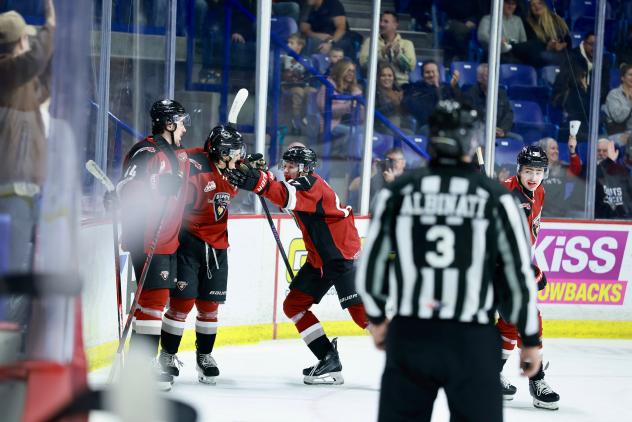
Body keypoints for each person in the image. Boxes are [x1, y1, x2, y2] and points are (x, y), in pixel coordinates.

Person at [356, 100, 542, 422]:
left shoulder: (398, 191)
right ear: (471, 142)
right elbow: (518, 276)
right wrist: (530, 340)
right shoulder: (497, 198)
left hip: (411, 335)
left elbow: (371, 266)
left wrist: (377, 319)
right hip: (472, 339)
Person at [226, 145, 369, 385]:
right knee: (294, 305)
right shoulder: (301, 184)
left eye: (291, 166)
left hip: (341, 254)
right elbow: (281, 190)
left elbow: (283, 194)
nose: (286, 170)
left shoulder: (311, 184)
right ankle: (327, 358)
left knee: (362, 316)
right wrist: (260, 175)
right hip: (320, 258)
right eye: (285, 166)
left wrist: (258, 181)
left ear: (304, 168)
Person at [158, 124, 249, 385]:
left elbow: (246, 179)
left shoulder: (231, 169)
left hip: (218, 246)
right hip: (189, 242)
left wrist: (254, 170)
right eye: (232, 153)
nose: (237, 158)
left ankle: (205, 356)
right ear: (218, 152)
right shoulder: (195, 167)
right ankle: (167, 355)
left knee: (209, 307)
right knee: (181, 304)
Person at [115, 99, 191, 389]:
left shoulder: (178, 153)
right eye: (181, 122)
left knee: (153, 302)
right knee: (155, 302)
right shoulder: (147, 152)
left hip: (168, 237)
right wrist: (158, 186)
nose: (185, 128)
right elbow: (126, 186)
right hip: (148, 235)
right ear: (169, 124)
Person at [496, 145, 560, 409]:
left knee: (511, 321)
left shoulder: (539, 191)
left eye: (539, 171)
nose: (534, 177)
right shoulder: (507, 196)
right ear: (519, 171)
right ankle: (537, 378)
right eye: (528, 171)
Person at [0, 2, 54, 275]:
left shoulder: (17, 83)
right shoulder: (4, 72)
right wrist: (52, 25)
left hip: (24, 194)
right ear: (20, 41)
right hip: (9, 195)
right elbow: (34, 61)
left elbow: (42, 89)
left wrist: (53, 56)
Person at [316, 58, 363, 156]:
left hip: (349, 123)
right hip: (331, 125)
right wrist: (348, 106)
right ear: (340, 70)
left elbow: (362, 115)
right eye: (348, 70)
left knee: (366, 132)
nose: (351, 73)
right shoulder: (328, 86)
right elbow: (325, 110)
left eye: (353, 71)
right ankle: (353, 161)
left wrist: (356, 92)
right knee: (355, 132)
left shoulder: (353, 89)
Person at [462, 63, 521, 141]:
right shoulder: (470, 95)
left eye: (493, 76)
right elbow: (469, 118)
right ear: (479, 78)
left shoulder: (501, 93)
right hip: (479, 134)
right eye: (487, 76)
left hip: (498, 132)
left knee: (518, 139)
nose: (492, 79)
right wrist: (486, 129)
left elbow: (508, 114)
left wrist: (503, 130)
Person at [402, 60, 461, 134]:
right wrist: (436, 89)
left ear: (438, 74)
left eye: (433, 72)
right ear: (422, 75)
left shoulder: (447, 87)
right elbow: (422, 112)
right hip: (427, 126)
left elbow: (457, 104)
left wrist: (454, 88)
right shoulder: (416, 88)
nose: (431, 75)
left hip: (447, 126)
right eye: (427, 72)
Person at [358, 11, 416, 86]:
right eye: (381, 21)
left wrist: (398, 55)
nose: (381, 24)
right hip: (376, 84)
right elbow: (364, 65)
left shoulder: (407, 44)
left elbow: (410, 67)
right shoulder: (370, 41)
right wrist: (381, 54)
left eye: (386, 22)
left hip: (401, 85)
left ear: (395, 25)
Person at [514, 0, 570, 67]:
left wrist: (561, 46)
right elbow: (532, 45)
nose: (536, 6)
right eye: (533, 5)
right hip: (540, 56)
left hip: (560, 53)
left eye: (539, 3)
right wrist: (547, 47)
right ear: (530, 9)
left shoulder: (556, 20)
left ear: (545, 5)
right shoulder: (528, 23)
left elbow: (567, 39)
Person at [538, 136, 583, 218]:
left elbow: (576, 168)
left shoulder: (563, 168)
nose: (556, 151)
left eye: (557, 149)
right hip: (541, 215)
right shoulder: (534, 170)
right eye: (553, 148)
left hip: (562, 214)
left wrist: (572, 151)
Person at [282, 33, 316, 135]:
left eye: (291, 43)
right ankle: (296, 121)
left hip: (303, 85)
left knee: (313, 91)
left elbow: (311, 75)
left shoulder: (306, 59)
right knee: (298, 92)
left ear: (300, 46)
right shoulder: (282, 57)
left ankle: (307, 116)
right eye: (288, 42)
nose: (288, 45)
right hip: (288, 86)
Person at [595, 138, 632, 219]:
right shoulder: (589, 171)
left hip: (624, 221)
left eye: (605, 151)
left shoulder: (623, 172)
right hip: (599, 221)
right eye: (598, 150)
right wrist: (609, 161)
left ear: (614, 153)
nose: (601, 153)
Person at [602, 63, 632, 140]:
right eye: (630, 75)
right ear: (622, 78)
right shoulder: (613, 94)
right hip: (618, 133)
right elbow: (618, 118)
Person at [374, 62, 403, 132]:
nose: (387, 78)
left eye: (390, 75)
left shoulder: (399, 92)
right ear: (378, 78)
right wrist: (393, 104)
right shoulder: (374, 93)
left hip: (400, 126)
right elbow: (374, 113)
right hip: (381, 127)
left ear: (394, 78)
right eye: (383, 75)